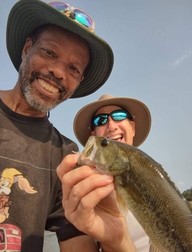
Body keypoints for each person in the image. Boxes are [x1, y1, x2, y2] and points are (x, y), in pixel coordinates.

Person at [0, 0, 114, 251]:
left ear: (78, 81)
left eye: (73, 68)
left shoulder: (67, 158)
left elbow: (78, 243)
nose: (58, 72)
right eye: (49, 53)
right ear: (27, 49)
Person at [56, 94, 151, 252]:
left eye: (119, 116)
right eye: (100, 120)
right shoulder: (83, 194)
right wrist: (115, 241)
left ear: (132, 128)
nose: (112, 125)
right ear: (93, 136)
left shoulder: (159, 181)